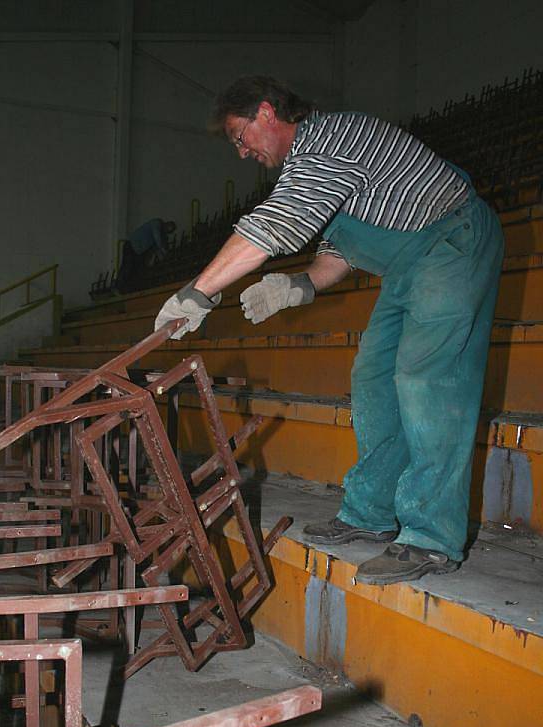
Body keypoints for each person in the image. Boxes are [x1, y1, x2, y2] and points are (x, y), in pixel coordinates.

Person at [154, 75, 504, 585]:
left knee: (428, 379)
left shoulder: (330, 139)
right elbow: (336, 256)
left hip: (453, 243)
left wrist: (199, 291)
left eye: (239, 137)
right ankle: (372, 513)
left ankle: (430, 537)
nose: (242, 152)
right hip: (412, 265)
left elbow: (281, 221)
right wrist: (299, 287)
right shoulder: (311, 166)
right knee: (373, 380)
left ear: (267, 113)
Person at [116, 218, 176, 294]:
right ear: (166, 224)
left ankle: (128, 289)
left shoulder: (160, 234)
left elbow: (156, 249)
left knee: (136, 270)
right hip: (131, 246)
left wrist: (163, 258)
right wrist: (163, 250)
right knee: (127, 267)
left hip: (138, 251)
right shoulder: (156, 223)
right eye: (168, 229)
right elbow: (157, 238)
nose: (167, 231)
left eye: (169, 231)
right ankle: (118, 287)